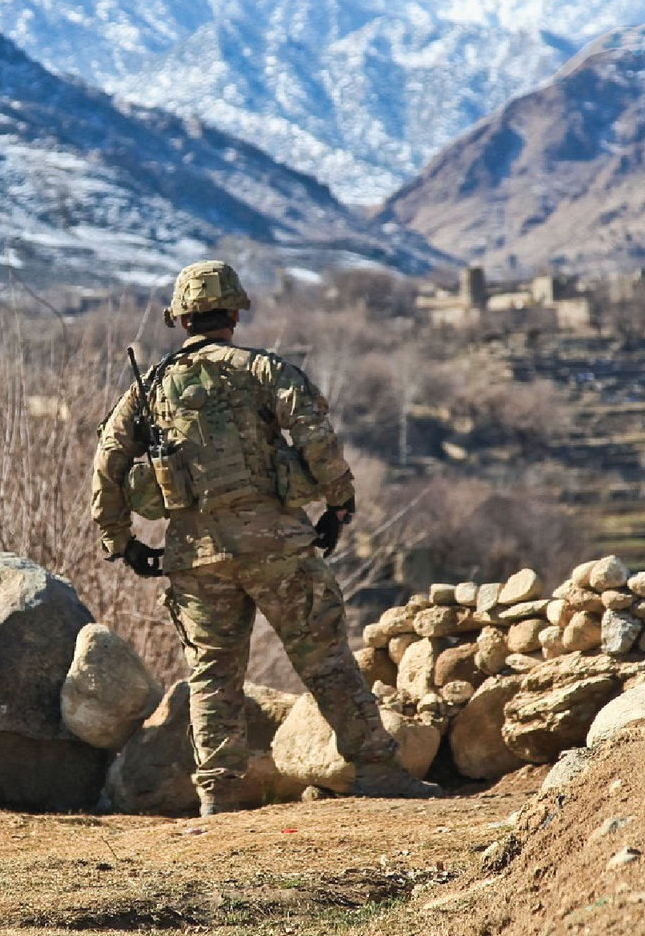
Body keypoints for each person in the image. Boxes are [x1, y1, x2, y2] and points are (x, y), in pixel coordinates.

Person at [90, 260, 435, 814]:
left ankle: (219, 795)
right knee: (325, 661)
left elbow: (108, 465)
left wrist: (121, 542)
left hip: (195, 558)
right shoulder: (264, 370)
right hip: (279, 549)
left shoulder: (149, 387)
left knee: (212, 677)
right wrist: (338, 503)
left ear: (179, 320)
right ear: (234, 313)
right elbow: (316, 437)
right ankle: (377, 770)